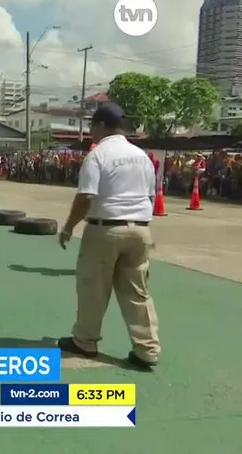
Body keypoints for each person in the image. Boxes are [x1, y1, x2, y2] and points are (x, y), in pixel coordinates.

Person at [56, 102, 160, 371]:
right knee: (138, 292)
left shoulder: (99, 155)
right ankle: (147, 349)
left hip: (106, 229)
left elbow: (86, 197)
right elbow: (150, 195)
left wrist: (69, 226)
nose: (90, 130)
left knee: (93, 288)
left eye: (92, 125)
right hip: (140, 229)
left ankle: (85, 341)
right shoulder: (142, 156)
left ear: (101, 126)